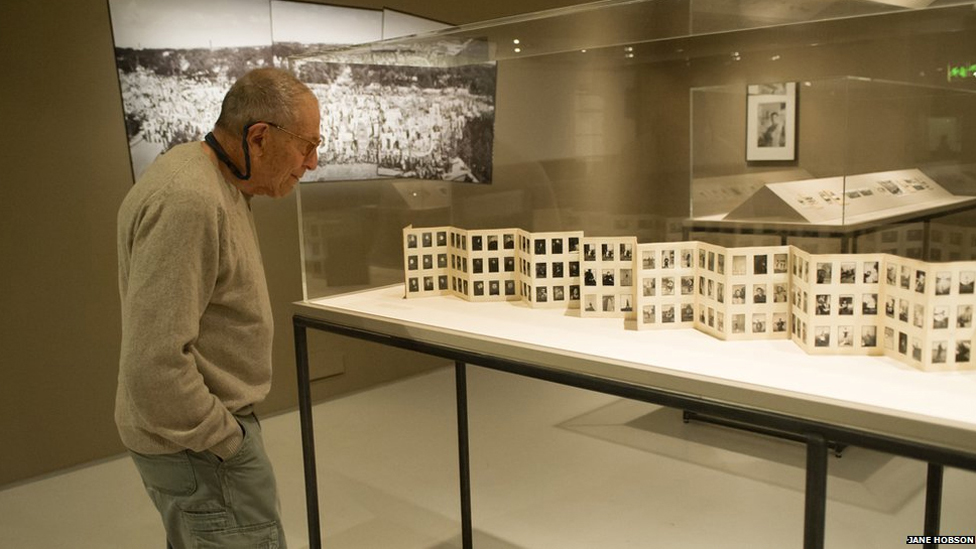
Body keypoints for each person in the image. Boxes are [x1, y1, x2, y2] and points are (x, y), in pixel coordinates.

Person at [116, 68, 321, 549]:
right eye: (306, 146)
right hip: (199, 449)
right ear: (259, 137)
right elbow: (154, 364)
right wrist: (229, 442)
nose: (312, 162)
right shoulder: (189, 199)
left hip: (195, 443)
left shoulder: (210, 181)